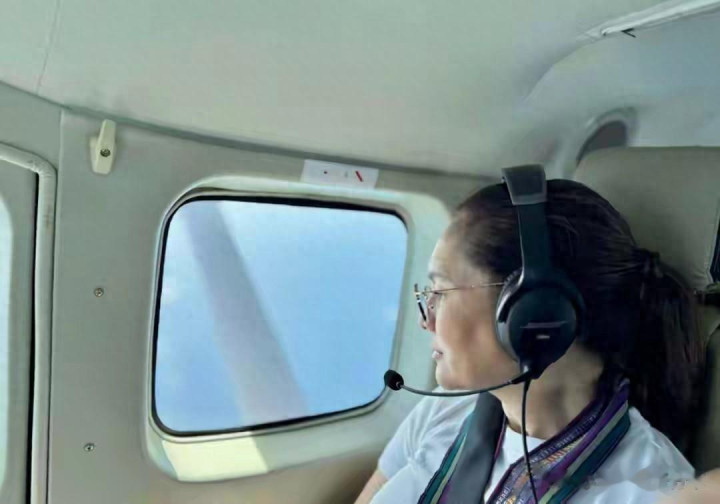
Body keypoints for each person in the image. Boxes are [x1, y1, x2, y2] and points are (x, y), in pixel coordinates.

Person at [354, 178, 705, 503]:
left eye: (441, 292)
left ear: (534, 309)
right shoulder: (445, 410)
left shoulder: (649, 489)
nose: (425, 319)